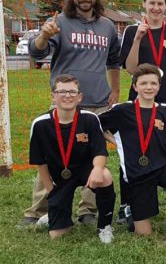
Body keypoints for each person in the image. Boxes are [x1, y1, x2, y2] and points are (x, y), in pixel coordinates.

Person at [20, 0, 121, 228]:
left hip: (97, 100)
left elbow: (113, 61)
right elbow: (36, 51)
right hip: (65, 101)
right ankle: (37, 209)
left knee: (94, 155)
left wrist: (115, 90)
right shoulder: (60, 23)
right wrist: (43, 35)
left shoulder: (108, 26)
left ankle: (88, 209)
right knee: (54, 155)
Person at [100, 64, 166, 236]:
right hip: (139, 173)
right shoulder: (122, 110)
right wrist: (118, 141)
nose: (148, 87)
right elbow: (96, 126)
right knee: (144, 234)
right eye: (143, 83)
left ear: (158, 86)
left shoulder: (165, 111)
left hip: (165, 167)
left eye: (153, 83)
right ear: (135, 86)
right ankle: (131, 213)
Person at [120, 0, 166, 219]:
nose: (156, 8)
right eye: (152, 3)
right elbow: (130, 68)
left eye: (160, 4)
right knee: (134, 149)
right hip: (139, 102)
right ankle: (126, 204)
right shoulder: (131, 31)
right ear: (144, 4)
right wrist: (139, 38)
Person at [28, 74, 116, 243]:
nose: (67, 96)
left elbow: (100, 152)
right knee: (58, 235)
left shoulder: (90, 119)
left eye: (72, 92)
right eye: (62, 91)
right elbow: (41, 163)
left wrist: (97, 169)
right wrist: (51, 191)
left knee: (105, 176)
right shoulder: (40, 124)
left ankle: (104, 226)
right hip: (60, 176)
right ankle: (53, 217)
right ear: (53, 95)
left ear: (79, 97)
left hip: (86, 170)